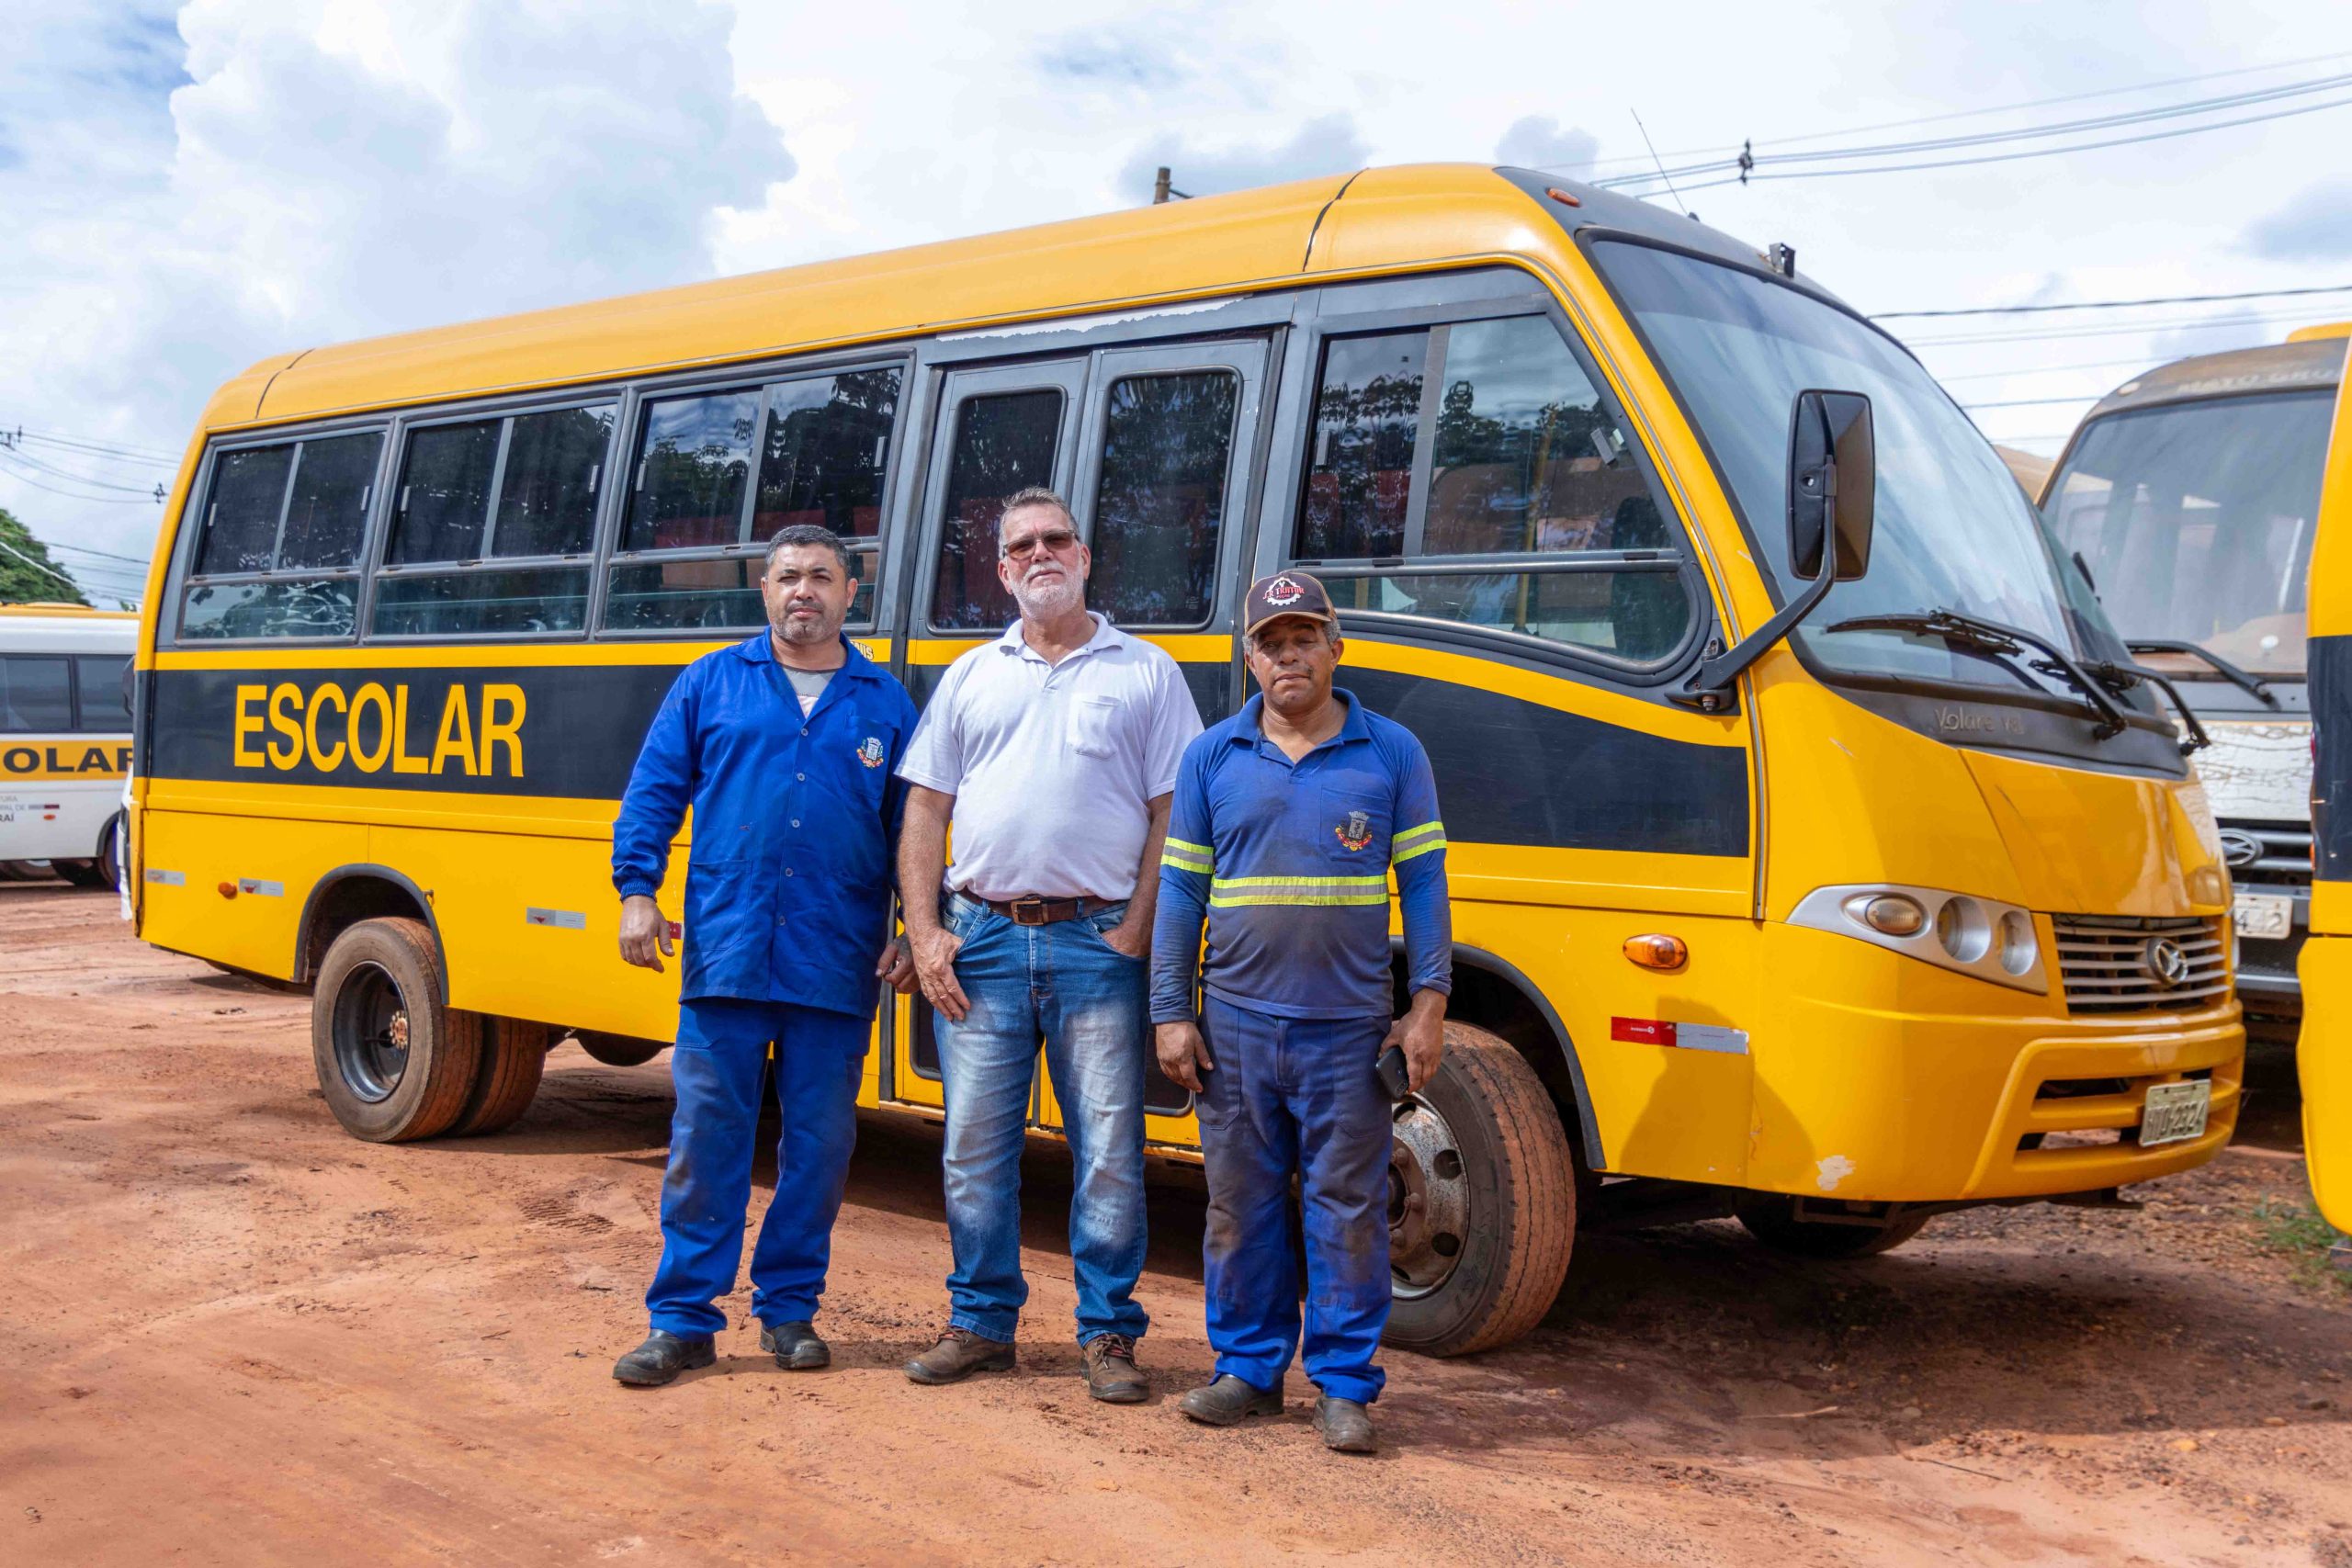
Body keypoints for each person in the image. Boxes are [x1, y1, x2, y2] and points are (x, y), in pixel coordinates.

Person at [895, 486, 1204, 1402]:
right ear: (1001, 570)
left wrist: (1137, 931)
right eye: (1019, 544)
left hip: (1093, 947)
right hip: (982, 943)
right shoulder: (971, 674)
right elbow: (924, 807)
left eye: (1054, 539)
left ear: (1084, 556)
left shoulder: (1146, 671)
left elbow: (1171, 814)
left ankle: (1107, 1335)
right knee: (972, 1149)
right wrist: (926, 933)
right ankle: (981, 1324)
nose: (1038, 554)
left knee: (1107, 1151)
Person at [607, 524, 919, 1387]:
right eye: (788, 577)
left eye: (822, 576)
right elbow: (653, 793)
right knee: (708, 1140)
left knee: (819, 1146)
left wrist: (912, 925)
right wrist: (639, 889)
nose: (804, 591)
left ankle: (789, 1310)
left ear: (851, 593)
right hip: (729, 951)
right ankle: (682, 1321)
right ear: (765, 588)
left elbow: (913, 833)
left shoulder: (885, 704)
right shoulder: (712, 683)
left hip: (836, 958)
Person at [1150, 570, 1451, 1454]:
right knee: (1238, 1206)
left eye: (1304, 638)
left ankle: (1345, 1386)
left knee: (1348, 1207)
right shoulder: (1211, 757)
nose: (1289, 656)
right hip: (1235, 1027)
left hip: (1348, 1031)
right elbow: (1178, 893)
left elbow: (1425, 884)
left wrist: (1427, 1003)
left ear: (1335, 646)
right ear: (1249, 658)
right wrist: (1173, 1011)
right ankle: (1246, 1370)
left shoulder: (1392, 752)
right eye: (1271, 643)